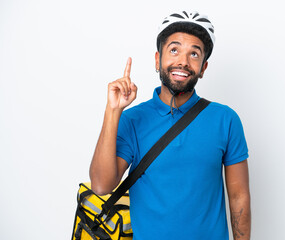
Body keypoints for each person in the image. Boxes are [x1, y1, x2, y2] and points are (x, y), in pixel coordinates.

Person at [89, 10, 251, 240]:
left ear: (203, 68)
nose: (183, 62)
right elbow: (101, 185)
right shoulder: (133, 119)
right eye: (174, 50)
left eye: (194, 54)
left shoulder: (225, 119)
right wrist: (113, 111)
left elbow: (239, 196)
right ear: (158, 59)